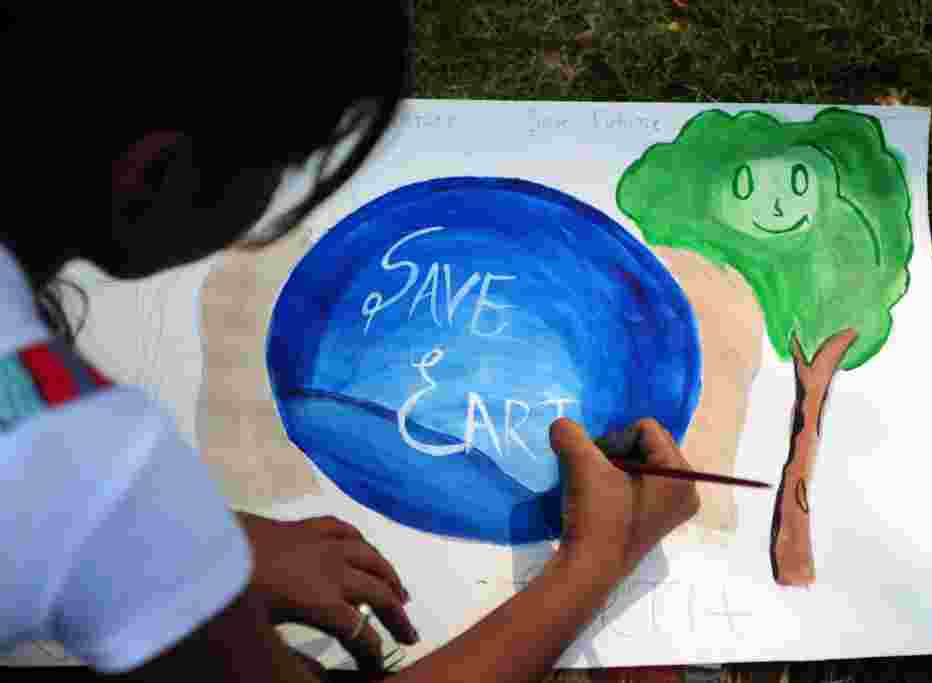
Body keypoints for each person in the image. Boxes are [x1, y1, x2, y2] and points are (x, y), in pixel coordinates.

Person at [1, 6, 701, 682]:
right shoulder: (90, 463)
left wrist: (204, 543)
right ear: (153, 176)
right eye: (285, 165)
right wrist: (594, 561)